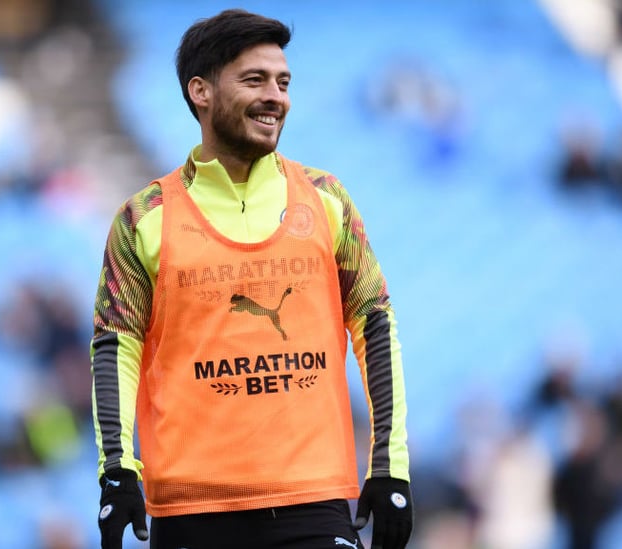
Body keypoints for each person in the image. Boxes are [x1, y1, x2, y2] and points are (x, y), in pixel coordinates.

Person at [89, 9, 412, 549]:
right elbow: (113, 349)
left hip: (314, 505)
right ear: (201, 92)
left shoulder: (326, 199)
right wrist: (118, 471)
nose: (276, 96)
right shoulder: (143, 218)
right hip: (192, 513)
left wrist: (390, 466)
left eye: (283, 82)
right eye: (255, 79)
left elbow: (374, 325)